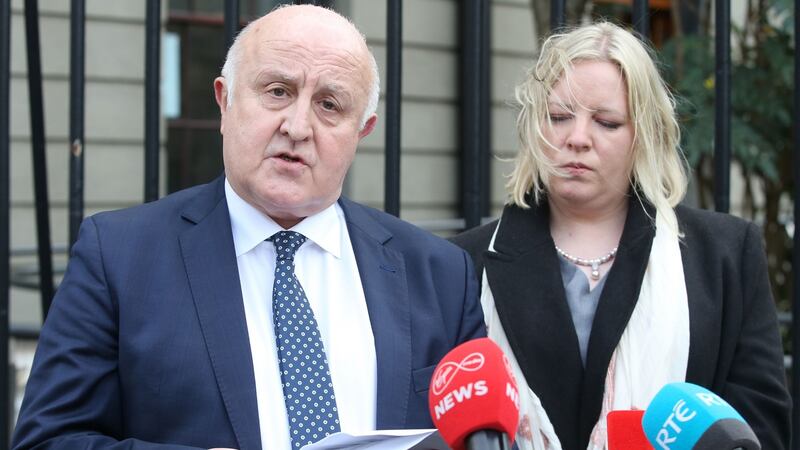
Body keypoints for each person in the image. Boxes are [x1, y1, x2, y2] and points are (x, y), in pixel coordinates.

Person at [12, 5, 485, 450]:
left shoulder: (440, 274)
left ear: (362, 130)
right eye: (278, 91)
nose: (297, 127)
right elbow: (50, 440)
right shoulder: (118, 257)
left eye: (329, 104)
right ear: (225, 101)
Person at [451, 22, 791, 450]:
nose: (577, 138)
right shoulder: (461, 263)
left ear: (644, 135)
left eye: (606, 122)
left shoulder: (725, 256)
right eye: (559, 117)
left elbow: (761, 427)